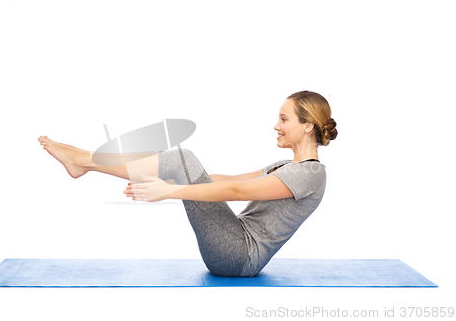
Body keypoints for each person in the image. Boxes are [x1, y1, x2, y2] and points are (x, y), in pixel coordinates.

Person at [38, 90, 337, 277]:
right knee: (181, 162)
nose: (276, 126)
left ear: (307, 125)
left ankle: (85, 161)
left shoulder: (311, 174)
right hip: (233, 244)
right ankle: (86, 160)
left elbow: (236, 192)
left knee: (184, 160)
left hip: (239, 256)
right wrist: (174, 178)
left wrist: (170, 190)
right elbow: (228, 180)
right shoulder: (285, 165)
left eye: (284, 119)